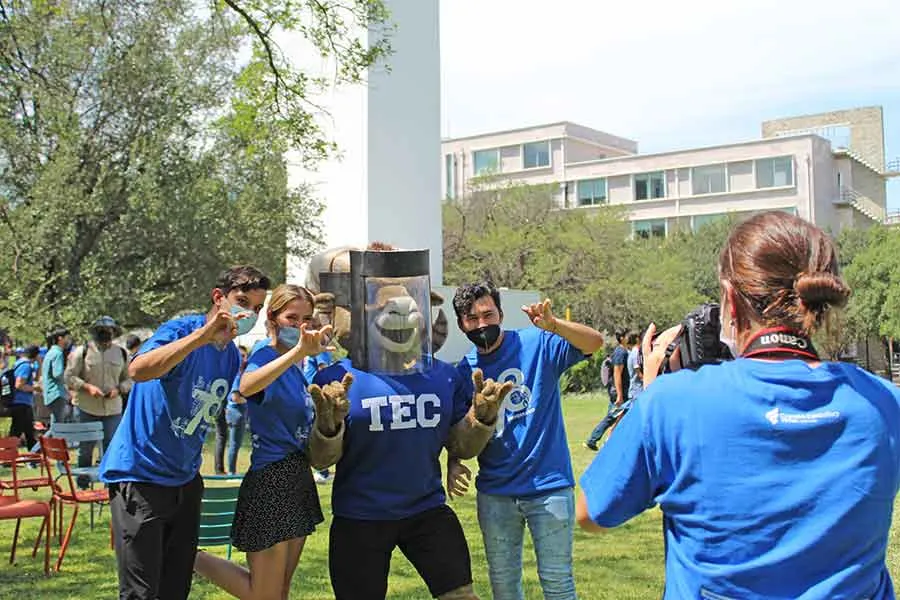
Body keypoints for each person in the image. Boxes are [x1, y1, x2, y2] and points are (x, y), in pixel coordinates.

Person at [577, 211, 900, 599]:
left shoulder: (673, 403)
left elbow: (593, 514)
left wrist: (650, 396)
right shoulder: (883, 401)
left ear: (730, 299)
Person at [309, 248, 512, 600]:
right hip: (361, 516)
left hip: (425, 510)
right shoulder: (337, 379)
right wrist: (329, 427)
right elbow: (322, 460)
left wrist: (482, 418)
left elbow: (460, 445)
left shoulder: (443, 376)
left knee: (462, 595)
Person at [99, 265, 271, 600]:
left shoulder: (231, 356)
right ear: (218, 298)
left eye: (257, 308)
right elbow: (139, 370)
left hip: (186, 480)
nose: (249, 313)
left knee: (176, 587)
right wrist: (201, 337)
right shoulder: (181, 330)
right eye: (242, 301)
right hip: (141, 477)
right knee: (141, 592)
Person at [449, 282, 604, 600]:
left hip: (549, 487)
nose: (482, 324)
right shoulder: (464, 371)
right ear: (461, 324)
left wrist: (555, 325)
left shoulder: (537, 343)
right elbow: (457, 433)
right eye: (471, 318)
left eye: (488, 314)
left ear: (501, 313)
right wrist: (454, 461)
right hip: (495, 493)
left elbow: (595, 343)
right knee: (504, 586)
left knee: (558, 583)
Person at [194, 284, 332, 599]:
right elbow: (247, 385)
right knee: (265, 595)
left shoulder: (296, 368)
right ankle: (188, 556)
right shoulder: (265, 354)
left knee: (278, 592)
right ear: (272, 318)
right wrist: (298, 352)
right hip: (271, 480)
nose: (300, 326)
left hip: (297, 478)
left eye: (306, 319)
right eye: (292, 318)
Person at [65, 316, 131, 470]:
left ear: (114, 332)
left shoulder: (121, 353)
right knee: (86, 449)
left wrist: (119, 389)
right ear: (94, 332)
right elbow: (68, 377)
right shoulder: (82, 351)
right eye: (101, 330)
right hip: (87, 408)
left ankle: (111, 487)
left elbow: (130, 379)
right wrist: (87, 387)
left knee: (113, 448)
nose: (105, 333)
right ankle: (83, 486)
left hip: (113, 409)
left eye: (108, 330)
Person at [584, 329, 631, 450]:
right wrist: (620, 395)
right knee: (612, 417)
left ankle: (609, 441)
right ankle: (592, 440)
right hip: (618, 391)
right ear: (622, 338)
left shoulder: (623, 351)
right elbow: (617, 373)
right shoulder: (620, 352)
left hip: (620, 390)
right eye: (627, 335)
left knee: (619, 416)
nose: (630, 337)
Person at [214, 344, 248, 475]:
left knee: (233, 442)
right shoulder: (237, 376)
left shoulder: (237, 374)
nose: (245, 359)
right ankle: (231, 472)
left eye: (246, 356)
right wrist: (250, 399)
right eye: (242, 356)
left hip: (235, 412)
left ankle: (228, 470)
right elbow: (235, 397)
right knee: (234, 443)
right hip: (236, 413)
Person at [303, 349, 334, 484]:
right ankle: (322, 471)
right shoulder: (318, 350)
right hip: (313, 394)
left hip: (314, 395)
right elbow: (323, 370)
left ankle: (323, 472)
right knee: (316, 433)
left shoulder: (320, 350)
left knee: (317, 432)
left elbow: (323, 370)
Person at [10, 344, 41, 450]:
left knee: (29, 431)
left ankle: (34, 454)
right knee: (17, 431)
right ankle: (7, 456)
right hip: (20, 402)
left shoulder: (20, 363)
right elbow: (19, 385)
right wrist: (35, 389)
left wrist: (39, 364)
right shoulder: (25, 366)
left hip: (23, 403)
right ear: (35, 355)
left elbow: (37, 377)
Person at [42, 325, 73, 425]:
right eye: (67, 338)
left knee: (55, 423)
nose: (68, 340)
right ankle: (54, 441)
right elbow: (58, 374)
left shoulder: (50, 352)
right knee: (58, 424)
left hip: (49, 393)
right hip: (57, 394)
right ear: (60, 338)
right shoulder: (58, 353)